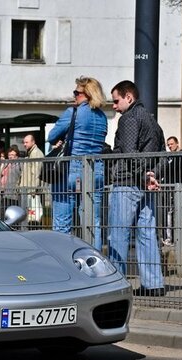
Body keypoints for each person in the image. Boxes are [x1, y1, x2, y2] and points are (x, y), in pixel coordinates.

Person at [108, 80, 166, 297]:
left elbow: (129, 153)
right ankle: (154, 285)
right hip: (144, 185)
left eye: (116, 101)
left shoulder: (129, 118)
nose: (114, 106)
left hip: (127, 183)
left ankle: (115, 287)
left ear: (128, 98)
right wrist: (153, 175)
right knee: (147, 234)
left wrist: (143, 176)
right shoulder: (152, 120)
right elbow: (162, 153)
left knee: (118, 235)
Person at [47, 76, 107, 250]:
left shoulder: (73, 112)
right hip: (96, 169)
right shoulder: (102, 117)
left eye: (77, 93)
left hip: (71, 168)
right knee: (93, 223)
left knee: (62, 222)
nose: (74, 96)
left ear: (87, 94)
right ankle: (95, 263)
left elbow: (51, 136)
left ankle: (62, 262)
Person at [161, 136, 182, 246]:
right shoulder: (168, 157)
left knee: (175, 213)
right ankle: (169, 238)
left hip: (176, 188)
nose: (170, 146)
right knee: (167, 213)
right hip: (168, 188)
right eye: (168, 144)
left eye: (171, 144)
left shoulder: (181, 155)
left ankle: (174, 239)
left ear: (177, 143)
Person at [19, 134, 45, 224]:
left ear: (33, 142)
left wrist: (33, 189)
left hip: (32, 191)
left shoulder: (35, 153)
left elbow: (36, 173)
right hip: (29, 190)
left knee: (33, 218)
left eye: (26, 142)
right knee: (30, 217)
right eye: (24, 142)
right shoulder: (31, 153)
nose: (24, 144)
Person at [0, 146, 22, 219]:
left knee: (12, 212)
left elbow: (22, 176)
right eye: (9, 155)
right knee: (2, 212)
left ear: (17, 155)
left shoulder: (19, 164)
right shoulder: (6, 164)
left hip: (12, 193)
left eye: (13, 155)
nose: (11, 157)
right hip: (2, 192)